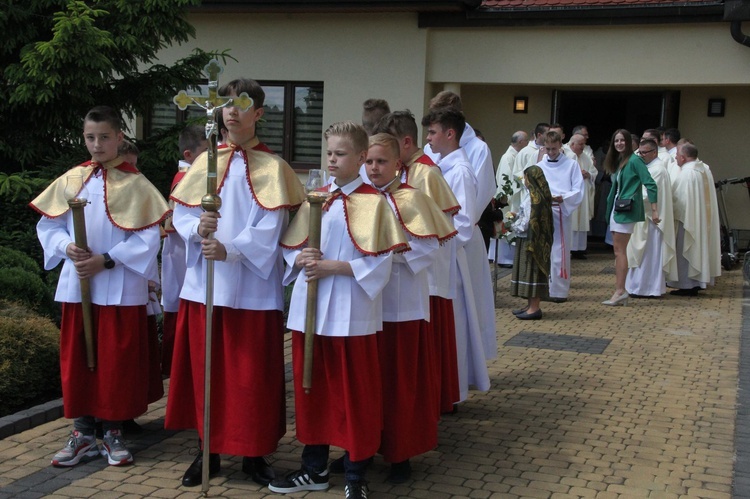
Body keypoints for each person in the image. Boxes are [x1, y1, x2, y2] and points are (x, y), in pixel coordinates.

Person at [165, 78, 306, 487]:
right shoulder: (203, 162)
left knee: (250, 378)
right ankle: (206, 450)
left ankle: (255, 452)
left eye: (241, 104)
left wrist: (231, 250)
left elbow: (272, 223)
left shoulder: (274, 167)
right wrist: (196, 231)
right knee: (206, 373)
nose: (232, 111)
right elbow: (181, 215)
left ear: (258, 113)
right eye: (226, 104)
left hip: (251, 288)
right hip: (203, 286)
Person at [272, 122, 408, 499]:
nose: (332, 160)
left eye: (341, 153)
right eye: (329, 152)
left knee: (354, 396)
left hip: (352, 313)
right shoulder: (317, 197)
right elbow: (288, 248)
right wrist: (300, 257)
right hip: (310, 313)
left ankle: (354, 474)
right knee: (311, 389)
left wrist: (333, 266)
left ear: (362, 158)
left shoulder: (375, 203)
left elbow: (382, 263)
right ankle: (313, 468)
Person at [30, 105, 170, 467]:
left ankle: (112, 432)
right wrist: (67, 248)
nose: (96, 145)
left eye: (104, 137)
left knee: (115, 362)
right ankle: (82, 432)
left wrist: (106, 260)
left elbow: (146, 238)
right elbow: (48, 226)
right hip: (79, 286)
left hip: (119, 287)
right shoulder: (72, 179)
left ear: (119, 138)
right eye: (90, 137)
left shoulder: (136, 184)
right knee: (79, 358)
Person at [365, 133, 456, 483]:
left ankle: (400, 452)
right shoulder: (357, 199)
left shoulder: (413, 199)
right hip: (366, 307)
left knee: (398, 384)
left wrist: (390, 253)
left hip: (401, 307)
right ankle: (361, 447)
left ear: (398, 165)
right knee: (369, 384)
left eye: (382, 162)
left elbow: (430, 249)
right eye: (369, 162)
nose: (374, 168)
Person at [372, 110, 461, 414]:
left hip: (425, 271)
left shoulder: (427, 173)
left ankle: (434, 401)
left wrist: (406, 255)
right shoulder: (391, 174)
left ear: (406, 143)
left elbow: (446, 226)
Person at [421, 107, 492, 404]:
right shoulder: (442, 165)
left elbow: (463, 221)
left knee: (458, 322)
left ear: (450, 134)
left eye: (433, 132)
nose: (428, 138)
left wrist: (433, 241)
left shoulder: (460, 171)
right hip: (445, 253)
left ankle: (456, 387)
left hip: (453, 255)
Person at [160, 124, 208, 375]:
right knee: (178, 299)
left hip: (191, 246)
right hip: (182, 248)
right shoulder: (186, 178)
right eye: (206, 152)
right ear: (189, 156)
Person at [602, 129, 659, 306]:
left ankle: (620, 291)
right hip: (617, 209)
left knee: (620, 251)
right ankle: (620, 290)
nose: (619, 143)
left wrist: (655, 210)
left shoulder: (634, 160)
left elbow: (651, 184)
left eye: (622, 140)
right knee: (618, 251)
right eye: (616, 140)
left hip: (625, 210)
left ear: (628, 142)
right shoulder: (621, 160)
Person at [535, 130, 585, 302]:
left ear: (560, 147)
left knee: (559, 252)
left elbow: (578, 189)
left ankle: (559, 291)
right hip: (543, 210)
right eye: (547, 149)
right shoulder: (541, 165)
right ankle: (543, 289)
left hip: (561, 210)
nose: (550, 153)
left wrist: (563, 198)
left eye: (554, 149)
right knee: (544, 251)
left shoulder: (571, 165)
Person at [666, 142, 721, 296]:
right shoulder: (703, 169)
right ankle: (696, 282)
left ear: (683, 158)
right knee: (697, 249)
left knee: (685, 250)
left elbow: (679, 202)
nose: (675, 157)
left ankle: (687, 285)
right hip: (700, 221)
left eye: (677, 155)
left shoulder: (686, 174)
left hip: (687, 222)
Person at [625, 138, 677, 297]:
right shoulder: (648, 166)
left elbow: (648, 196)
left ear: (654, 152)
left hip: (651, 221)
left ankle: (647, 288)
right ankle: (637, 287)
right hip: (642, 218)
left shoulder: (658, 170)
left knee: (648, 256)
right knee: (639, 254)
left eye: (644, 152)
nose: (641, 155)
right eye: (639, 152)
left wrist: (629, 196)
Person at [509, 165, 553, 320]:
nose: (524, 180)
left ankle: (534, 308)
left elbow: (527, 222)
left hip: (531, 240)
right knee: (528, 270)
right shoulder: (539, 194)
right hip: (534, 239)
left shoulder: (534, 198)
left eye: (526, 177)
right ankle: (530, 305)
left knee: (531, 271)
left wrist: (512, 225)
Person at [491, 130, 529, 266]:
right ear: (520, 142)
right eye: (526, 141)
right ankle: (504, 259)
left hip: (515, 196)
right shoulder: (508, 157)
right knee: (507, 225)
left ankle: (509, 258)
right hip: (508, 198)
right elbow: (506, 181)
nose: (528, 143)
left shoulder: (516, 156)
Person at [564, 133, 598, 259]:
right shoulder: (565, 154)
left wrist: (588, 174)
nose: (583, 147)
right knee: (572, 220)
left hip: (582, 195)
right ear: (572, 144)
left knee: (581, 220)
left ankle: (580, 249)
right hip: (571, 193)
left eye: (583, 144)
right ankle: (570, 248)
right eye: (581, 144)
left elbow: (594, 171)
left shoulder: (585, 157)